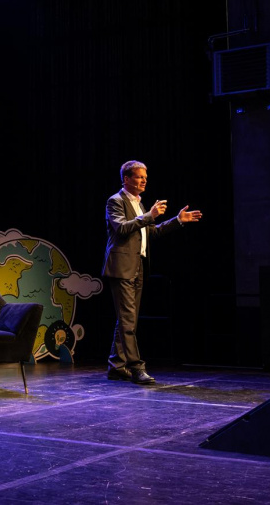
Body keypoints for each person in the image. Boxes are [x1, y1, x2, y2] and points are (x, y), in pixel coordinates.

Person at [102, 160, 202, 385]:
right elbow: (122, 228)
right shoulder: (115, 201)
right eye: (139, 177)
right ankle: (136, 367)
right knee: (127, 321)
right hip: (121, 268)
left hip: (138, 266)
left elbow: (151, 232)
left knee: (127, 320)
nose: (144, 181)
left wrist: (177, 220)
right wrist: (150, 215)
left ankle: (116, 365)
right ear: (126, 179)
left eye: (145, 177)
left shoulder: (139, 204)